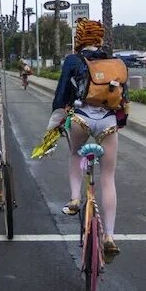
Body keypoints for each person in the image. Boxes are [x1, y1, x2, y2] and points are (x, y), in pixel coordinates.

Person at [46, 19, 128, 262]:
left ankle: (74, 199)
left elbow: (62, 95)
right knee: (108, 177)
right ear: (100, 38)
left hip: (81, 119)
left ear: (79, 38)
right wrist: (117, 124)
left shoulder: (73, 61)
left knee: (75, 155)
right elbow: (124, 101)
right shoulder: (115, 63)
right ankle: (110, 236)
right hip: (107, 123)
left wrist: (54, 124)